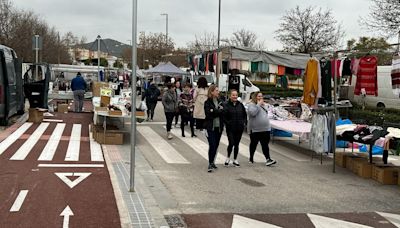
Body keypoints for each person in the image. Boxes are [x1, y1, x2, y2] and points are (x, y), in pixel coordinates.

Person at [247, 92, 277, 166]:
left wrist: (263, 105)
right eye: (258, 96)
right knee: (254, 144)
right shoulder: (251, 105)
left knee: (265, 144)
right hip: (255, 129)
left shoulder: (264, 105)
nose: (260, 98)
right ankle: (251, 157)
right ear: (255, 97)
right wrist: (258, 105)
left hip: (265, 128)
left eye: (261, 96)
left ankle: (268, 159)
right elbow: (253, 113)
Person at [223, 90, 247, 167]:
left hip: (239, 128)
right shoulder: (226, 105)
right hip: (230, 128)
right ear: (230, 96)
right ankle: (228, 157)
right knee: (231, 143)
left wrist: (243, 123)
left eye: (236, 95)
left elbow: (244, 115)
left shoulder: (240, 105)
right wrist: (228, 123)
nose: (235, 97)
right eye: (233, 95)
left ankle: (235, 159)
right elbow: (224, 116)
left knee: (237, 144)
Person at [204, 85, 224, 173]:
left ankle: (213, 161)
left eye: (218, 90)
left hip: (218, 127)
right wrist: (217, 111)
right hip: (210, 127)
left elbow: (223, 111)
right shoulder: (207, 102)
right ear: (211, 92)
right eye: (216, 90)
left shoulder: (220, 101)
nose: (218, 92)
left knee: (216, 145)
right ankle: (210, 162)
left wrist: (215, 111)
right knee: (212, 145)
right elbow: (208, 113)